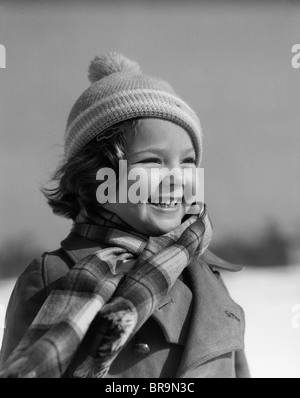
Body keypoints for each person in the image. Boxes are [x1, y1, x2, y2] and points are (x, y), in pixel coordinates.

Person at [0, 52, 250, 378]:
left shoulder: (206, 277)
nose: (176, 179)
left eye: (188, 162)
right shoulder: (55, 277)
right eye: (152, 162)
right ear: (96, 176)